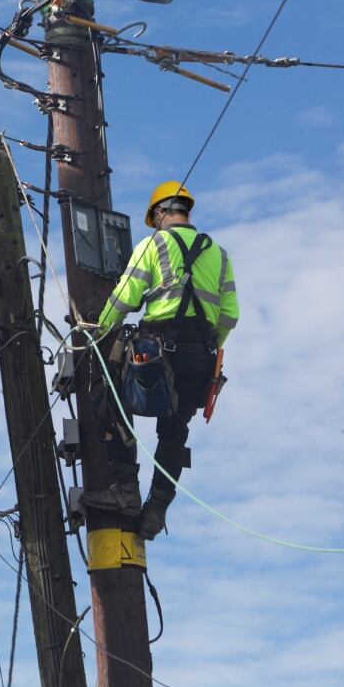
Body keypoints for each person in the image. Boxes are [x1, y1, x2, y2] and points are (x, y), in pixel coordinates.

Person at [87, 180, 239, 540]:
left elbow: (125, 297)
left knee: (108, 395)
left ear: (159, 213)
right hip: (200, 358)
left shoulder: (153, 244)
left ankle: (124, 487)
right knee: (174, 430)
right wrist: (206, 345)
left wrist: (96, 332)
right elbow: (230, 314)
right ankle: (157, 507)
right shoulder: (219, 253)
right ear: (185, 210)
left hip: (155, 353)